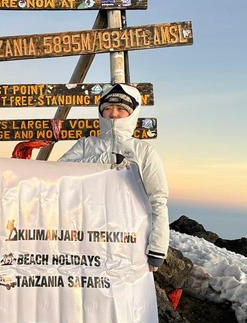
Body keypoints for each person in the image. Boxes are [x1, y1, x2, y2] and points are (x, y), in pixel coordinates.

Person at [58, 83, 168, 270]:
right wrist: (103, 159)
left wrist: (157, 250)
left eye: (121, 109)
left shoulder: (144, 152)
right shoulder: (86, 145)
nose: (113, 114)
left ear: (132, 112)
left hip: (130, 240)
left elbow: (157, 199)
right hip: (86, 235)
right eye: (107, 108)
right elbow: (59, 174)